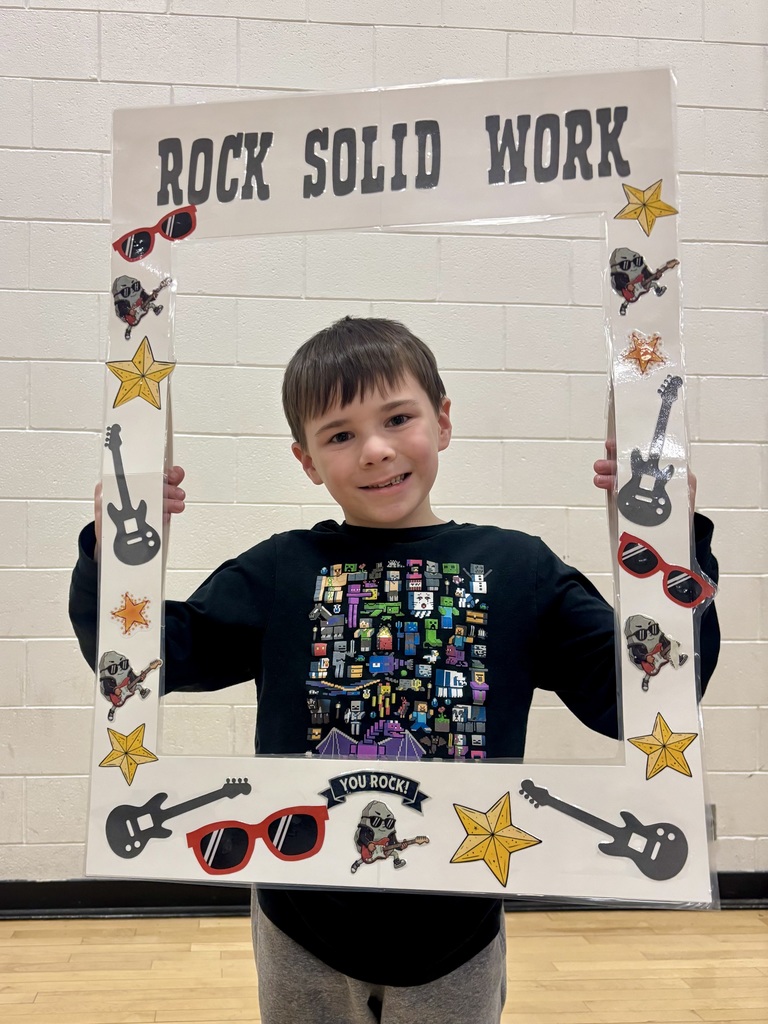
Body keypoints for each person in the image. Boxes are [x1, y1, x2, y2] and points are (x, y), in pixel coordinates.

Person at [70, 316, 720, 1024]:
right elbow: (152, 660)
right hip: (301, 917)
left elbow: (639, 698)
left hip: (455, 927)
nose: (375, 451)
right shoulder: (282, 568)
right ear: (307, 459)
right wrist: (113, 559)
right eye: (340, 435)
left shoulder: (518, 569)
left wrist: (670, 550)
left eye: (397, 418)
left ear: (442, 421)